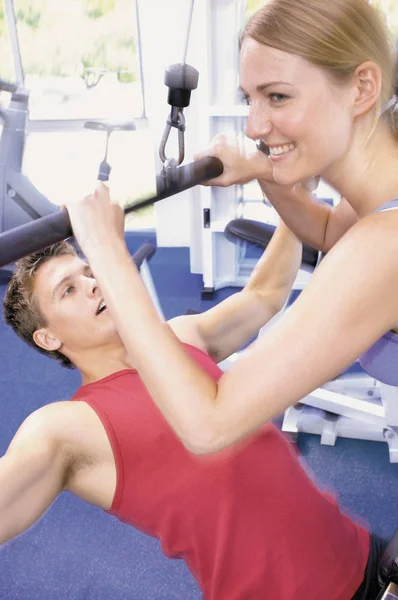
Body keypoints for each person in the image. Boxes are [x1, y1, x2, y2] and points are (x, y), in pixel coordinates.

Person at [63, 0, 398, 455]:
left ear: (362, 87)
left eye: (277, 96)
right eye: (249, 98)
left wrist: (105, 253)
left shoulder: (381, 247)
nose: (255, 125)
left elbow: (210, 425)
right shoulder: (377, 193)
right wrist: (262, 168)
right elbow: (327, 233)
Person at [2, 226, 380, 600]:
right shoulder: (65, 428)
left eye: (88, 272)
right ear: (49, 338)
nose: (92, 285)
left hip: (359, 550)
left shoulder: (177, 338)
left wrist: (293, 195)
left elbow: (264, 295)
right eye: (68, 290)